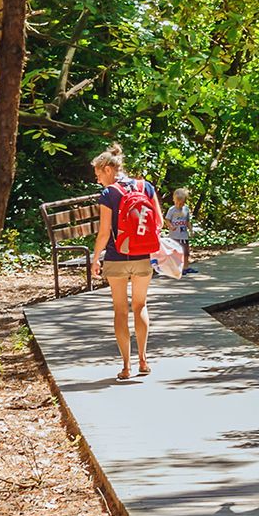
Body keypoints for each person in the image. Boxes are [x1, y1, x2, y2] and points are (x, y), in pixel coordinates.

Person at [89, 147, 166, 380]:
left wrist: (95, 259)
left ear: (108, 169)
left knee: (120, 311)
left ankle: (126, 366)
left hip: (116, 258)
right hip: (143, 257)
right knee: (140, 306)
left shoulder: (108, 194)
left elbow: (104, 233)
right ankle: (143, 360)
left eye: (98, 174)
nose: (98, 179)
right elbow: (159, 223)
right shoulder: (146, 187)